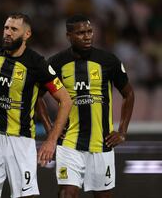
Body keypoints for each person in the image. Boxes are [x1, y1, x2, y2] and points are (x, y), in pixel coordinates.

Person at [0, 13, 72, 198]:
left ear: (27, 34)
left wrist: (51, 140)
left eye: (14, 29)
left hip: (20, 140)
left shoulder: (37, 64)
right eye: (6, 28)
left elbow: (65, 100)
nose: (8, 33)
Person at [46, 15, 135, 198]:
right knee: (67, 193)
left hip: (101, 143)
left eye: (89, 31)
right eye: (80, 33)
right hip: (69, 142)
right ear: (68, 35)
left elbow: (129, 94)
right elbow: (37, 97)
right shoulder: (56, 63)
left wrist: (122, 131)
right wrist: (50, 128)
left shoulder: (108, 61)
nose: (87, 36)